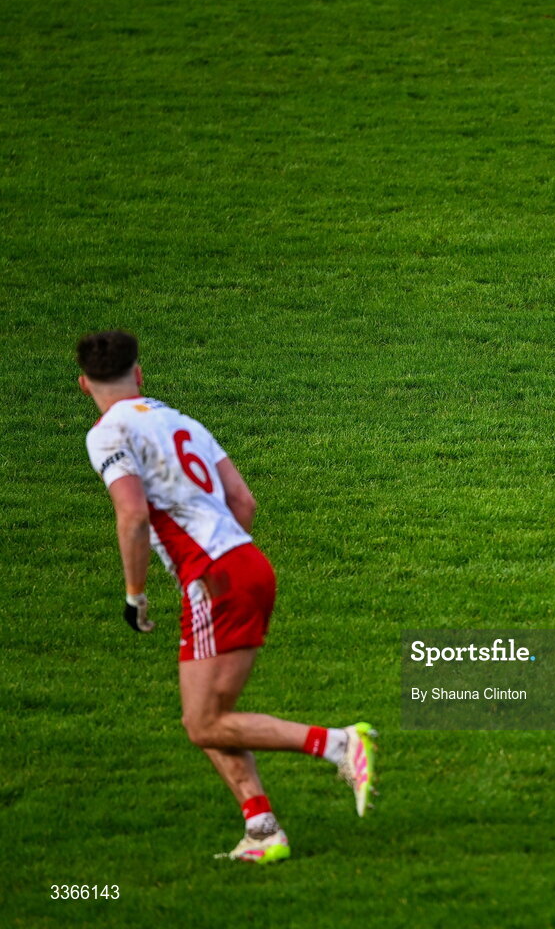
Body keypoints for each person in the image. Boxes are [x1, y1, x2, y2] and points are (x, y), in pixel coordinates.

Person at [76, 330, 376, 864]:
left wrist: (136, 593)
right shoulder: (182, 421)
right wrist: (223, 560)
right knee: (204, 717)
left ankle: (337, 744)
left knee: (207, 722)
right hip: (244, 564)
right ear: (139, 374)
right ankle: (261, 828)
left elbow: (134, 514)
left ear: (83, 385)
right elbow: (243, 499)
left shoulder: (106, 433)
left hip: (216, 577)